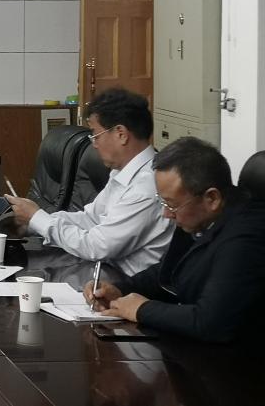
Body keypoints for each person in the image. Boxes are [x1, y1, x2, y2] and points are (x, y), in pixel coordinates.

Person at [85, 137, 265, 342]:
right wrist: (121, 289)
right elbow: (169, 272)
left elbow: (211, 322)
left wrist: (142, 309)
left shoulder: (246, 239)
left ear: (212, 198)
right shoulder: (199, 216)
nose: (166, 213)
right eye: (163, 202)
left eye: (171, 204)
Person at [6, 87, 172, 276]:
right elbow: (90, 219)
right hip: (100, 271)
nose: (94, 145)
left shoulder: (146, 187)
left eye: (95, 135)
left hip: (125, 283)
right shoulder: (121, 171)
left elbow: (96, 247)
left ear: (121, 134)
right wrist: (32, 223)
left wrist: (38, 219)